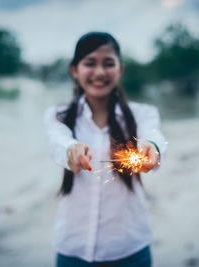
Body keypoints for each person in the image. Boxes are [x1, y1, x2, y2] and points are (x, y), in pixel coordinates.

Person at [44, 31, 167, 267]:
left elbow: (154, 136)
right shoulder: (57, 116)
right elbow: (57, 142)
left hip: (130, 247)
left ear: (120, 70)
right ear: (74, 70)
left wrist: (151, 147)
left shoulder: (144, 113)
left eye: (108, 64)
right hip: (73, 248)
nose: (99, 72)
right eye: (90, 63)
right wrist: (71, 149)